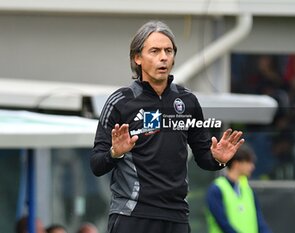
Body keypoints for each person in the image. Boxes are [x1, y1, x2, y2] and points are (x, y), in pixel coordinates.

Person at [90, 20, 244, 233]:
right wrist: (115, 152)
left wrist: (218, 159)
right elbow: (97, 164)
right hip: (133, 215)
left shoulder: (187, 101)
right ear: (137, 58)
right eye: (154, 51)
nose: (163, 57)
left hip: (176, 216)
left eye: (168, 51)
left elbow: (204, 158)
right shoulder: (120, 102)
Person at [205, 144, 272, 233]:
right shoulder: (216, 189)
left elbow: (259, 220)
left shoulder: (247, 190)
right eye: (248, 162)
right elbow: (223, 223)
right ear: (236, 164)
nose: (252, 167)